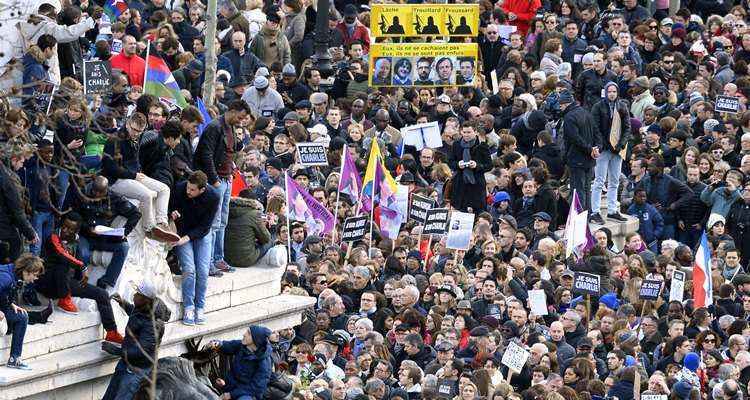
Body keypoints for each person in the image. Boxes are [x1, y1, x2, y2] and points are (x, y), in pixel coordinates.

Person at [35, 212, 123, 343]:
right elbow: (62, 255)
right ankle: (64, 299)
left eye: (70, 229)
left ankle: (112, 332)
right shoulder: (53, 237)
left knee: (102, 294)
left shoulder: (76, 240)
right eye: (64, 227)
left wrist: (81, 270)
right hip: (48, 282)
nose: (65, 231)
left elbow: (78, 260)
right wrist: (83, 267)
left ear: (76, 230)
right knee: (63, 263)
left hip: (66, 282)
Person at [194, 100, 252, 276]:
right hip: (217, 179)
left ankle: (218, 258)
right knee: (213, 223)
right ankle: (209, 261)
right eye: (240, 117)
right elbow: (206, 154)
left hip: (227, 178)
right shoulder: (214, 127)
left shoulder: (231, 127)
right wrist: (214, 180)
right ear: (232, 111)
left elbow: (231, 149)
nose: (240, 121)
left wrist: (241, 142)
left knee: (223, 222)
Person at [66, 175, 141, 290]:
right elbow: (74, 216)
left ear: (106, 190)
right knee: (83, 254)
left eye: (100, 192)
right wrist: (86, 227)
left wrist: (124, 232)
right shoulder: (83, 194)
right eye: (95, 191)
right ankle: (77, 282)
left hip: (104, 237)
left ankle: (107, 281)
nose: (97, 195)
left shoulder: (115, 199)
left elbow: (136, 214)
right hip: (86, 236)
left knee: (124, 247)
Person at [101, 281, 171, 400]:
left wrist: (116, 351)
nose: (134, 295)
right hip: (126, 362)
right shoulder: (143, 308)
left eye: (138, 294)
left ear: (145, 299)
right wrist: (123, 303)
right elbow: (136, 314)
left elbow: (141, 351)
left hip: (137, 370)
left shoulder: (152, 325)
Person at [169, 171, 218, 325]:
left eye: (192, 190)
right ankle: (189, 306)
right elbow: (170, 205)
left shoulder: (213, 197)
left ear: (202, 190)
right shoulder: (180, 188)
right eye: (188, 188)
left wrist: (185, 239)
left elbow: (205, 226)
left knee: (203, 271)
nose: (188, 191)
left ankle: (200, 306)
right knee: (189, 269)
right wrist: (173, 212)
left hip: (200, 234)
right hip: (182, 231)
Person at [590, 82, 631, 224]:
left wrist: (621, 144)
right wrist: (603, 144)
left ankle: (612, 210)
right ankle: (594, 211)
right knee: (599, 181)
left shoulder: (622, 106)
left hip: (617, 150)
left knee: (614, 181)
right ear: (606, 92)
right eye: (609, 91)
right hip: (604, 149)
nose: (612, 94)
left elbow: (627, 128)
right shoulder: (598, 106)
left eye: (614, 91)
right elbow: (595, 127)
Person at [0, 253, 44, 370]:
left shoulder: (13, 274)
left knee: (22, 316)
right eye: (34, 275)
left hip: (3, 307)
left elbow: (3, 293)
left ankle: (15, 358)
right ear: (26, 271)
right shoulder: (6, 277)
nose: (34, 279)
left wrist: (11, 304)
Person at [207, 325, 274, 400]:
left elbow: (255, 388)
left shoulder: (264, 363)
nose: (244, 334)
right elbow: (228, 345)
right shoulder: (242, 346)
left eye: (248, 333)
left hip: (247, 394)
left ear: (256, 340)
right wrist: (218, 344)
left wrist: (231, 395)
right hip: (231, 386)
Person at [559, 89, 598, 213]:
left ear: (565, 104)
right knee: (587, 188)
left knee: (578, 189)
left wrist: (588, 149)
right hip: (590, 158)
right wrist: (595, 149)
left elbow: (574, 138)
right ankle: (588, 213)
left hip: (576, 159)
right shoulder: (586, 113)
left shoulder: (569, 117)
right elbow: (597, 133)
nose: (560, 108)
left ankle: (580, 216)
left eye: (560, 105)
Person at [448, 121, 492, 214]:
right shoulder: (457, 144)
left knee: (478, 212)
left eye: (469, 132)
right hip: (460, 184)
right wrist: (458, 165)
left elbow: (489, 165)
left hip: (476, 185)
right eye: (464, 132)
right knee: (460, 212)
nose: (466, 135)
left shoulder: (481, 145)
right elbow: (450, 162)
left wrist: (477, 166)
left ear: (475, 132)